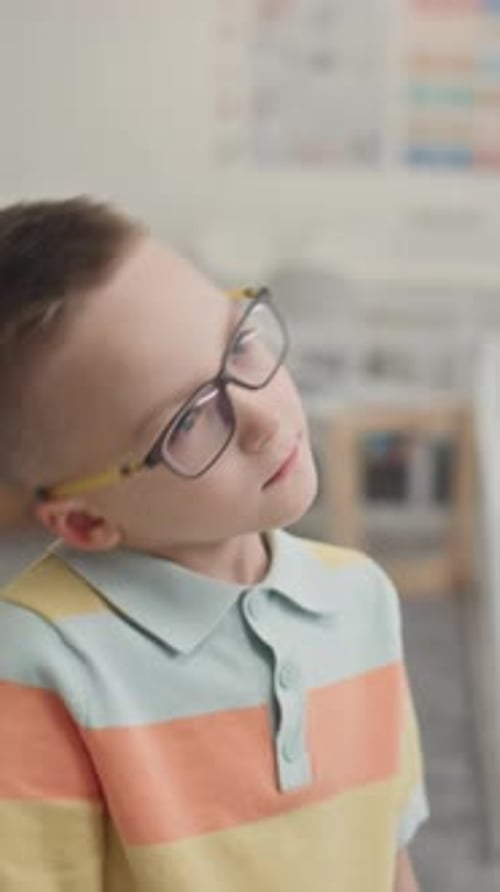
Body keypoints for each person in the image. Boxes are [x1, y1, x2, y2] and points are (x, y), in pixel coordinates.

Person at [0, 198, 428, 891]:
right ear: (84, 524)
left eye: (239, 343)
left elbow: (390, 858)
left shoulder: (360, 596)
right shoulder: (37, 660)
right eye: (192, 419)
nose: (263, 416)